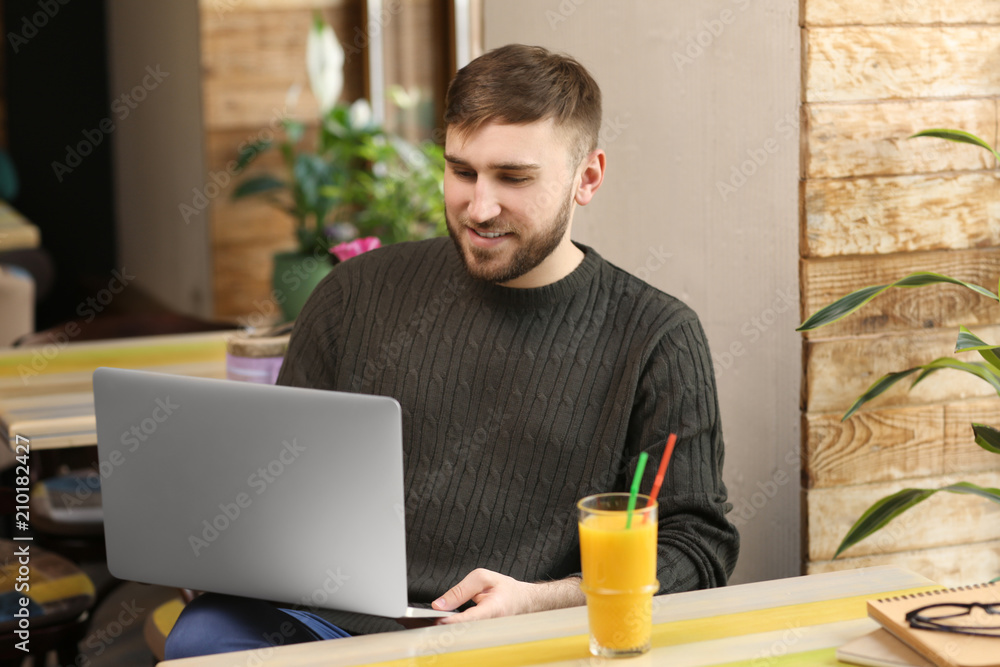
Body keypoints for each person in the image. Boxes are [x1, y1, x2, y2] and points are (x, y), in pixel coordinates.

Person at [165, 43, 739, 659]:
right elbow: (278, 484)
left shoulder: (657, 335)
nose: (479, 207)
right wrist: (227, 543)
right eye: (462, 171)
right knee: (199, 638)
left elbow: (697, 547)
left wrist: (542, 599)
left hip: (515, 636)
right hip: (322, 623)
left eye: (513, 178)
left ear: (587, 178)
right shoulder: (355, 293)